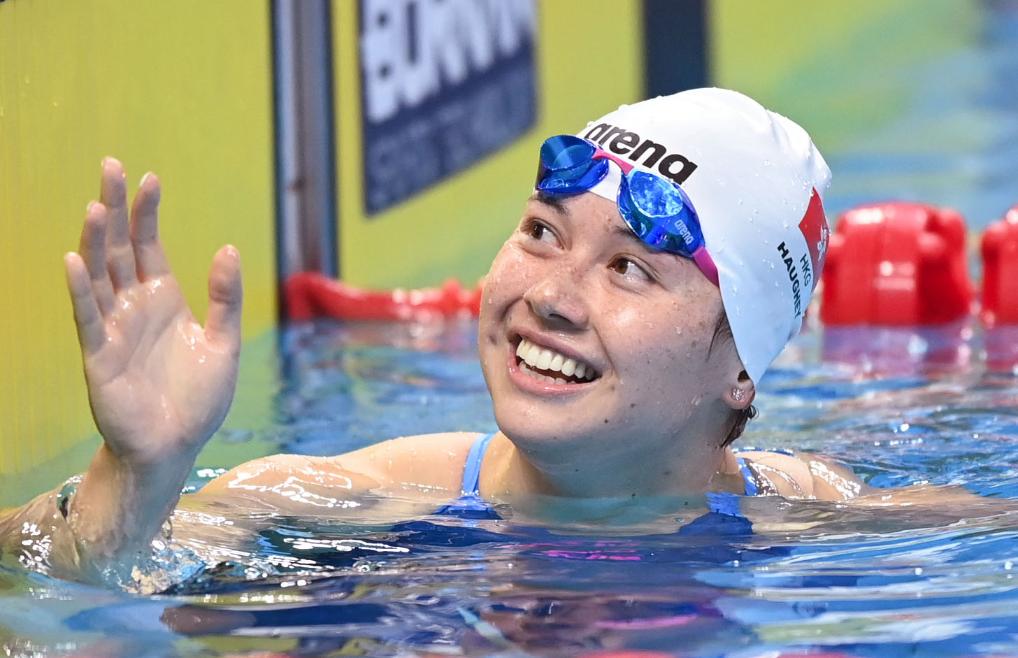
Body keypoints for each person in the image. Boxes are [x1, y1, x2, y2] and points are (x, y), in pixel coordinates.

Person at [0, 88, 971, 585]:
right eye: (543, 231)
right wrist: (138, 474)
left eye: (629, 268)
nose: (550, 296)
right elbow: (66, 582)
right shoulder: (351, 505)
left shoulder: (826, 520)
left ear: (740, 370)